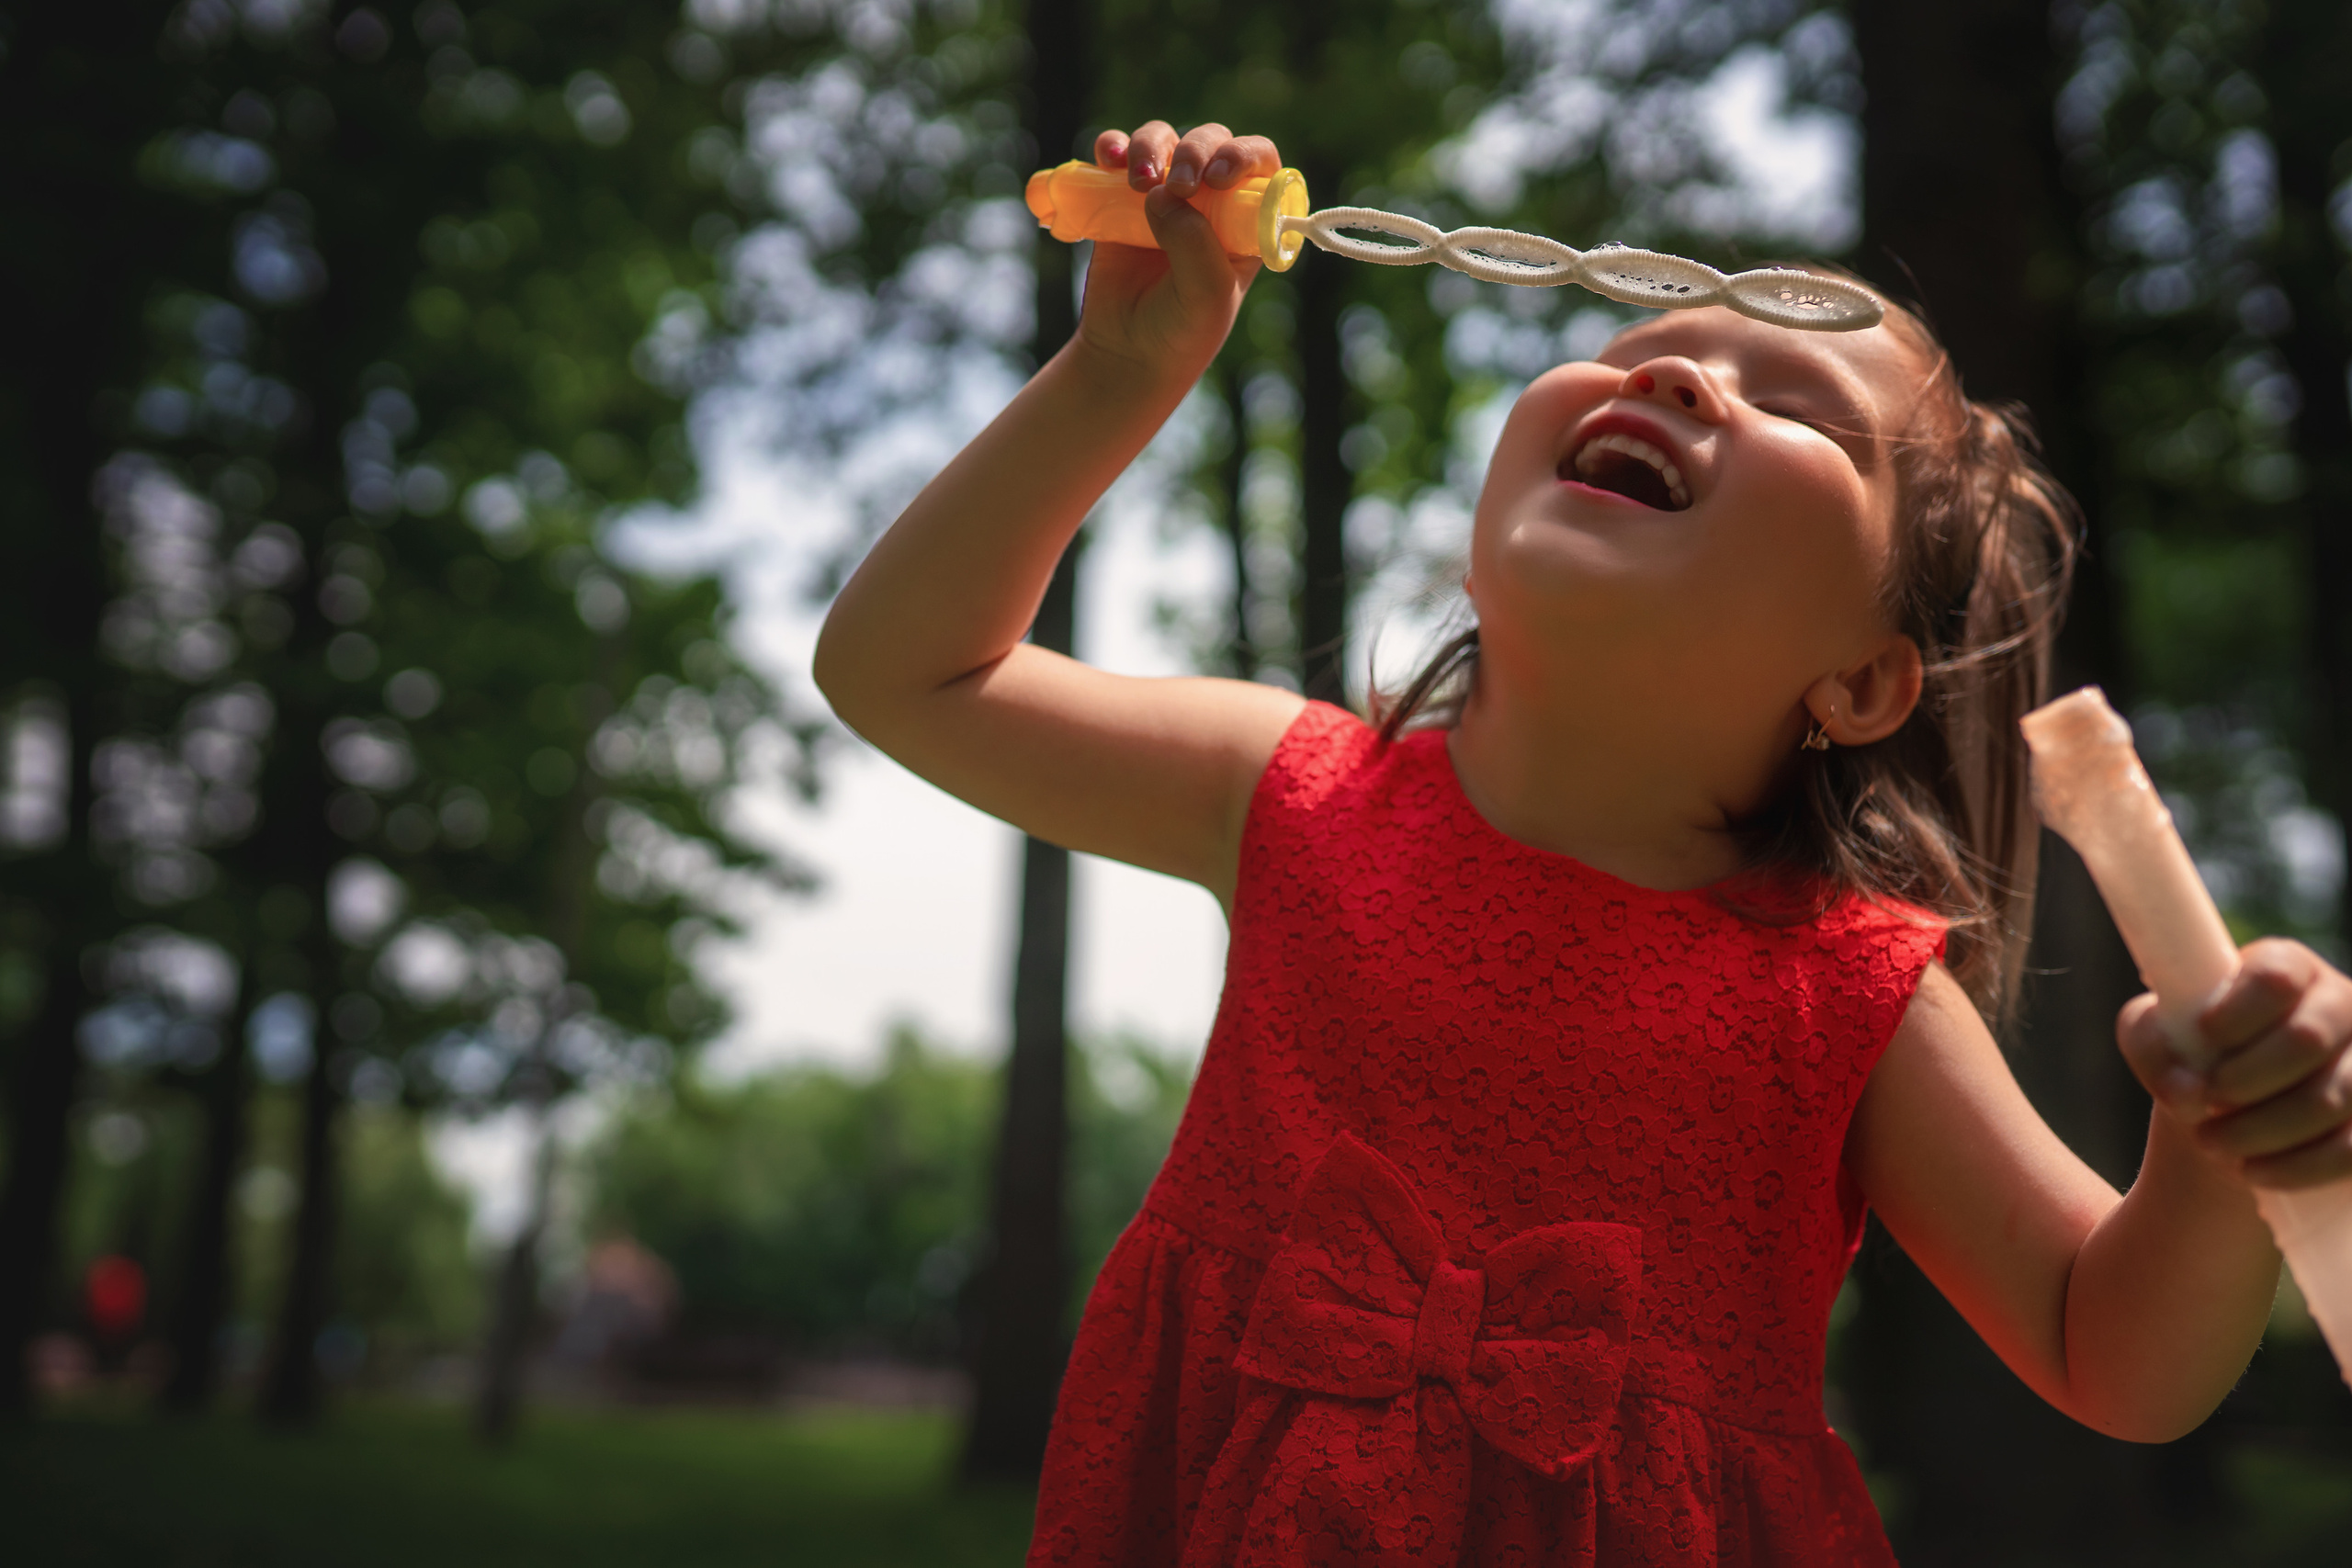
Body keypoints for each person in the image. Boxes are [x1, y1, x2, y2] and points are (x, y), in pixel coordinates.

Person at [814, 120, 2352, 1567]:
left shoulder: (1847, 997)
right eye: (1643, 348)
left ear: (1868, 679)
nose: (1686, 379)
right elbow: (905, 672)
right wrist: (1115, 375)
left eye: (1802, 412)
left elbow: (2110, 1350)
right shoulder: (1291, 793)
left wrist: (2220, 1168)